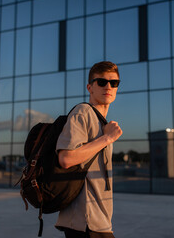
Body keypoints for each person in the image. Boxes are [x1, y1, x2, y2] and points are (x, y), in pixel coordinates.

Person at [56, 61, 123, 238]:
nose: (108, 86)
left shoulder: (103, 123)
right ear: (90, 87)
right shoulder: (83, 112)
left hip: (99, 222)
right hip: (85, 221)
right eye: (101, 82)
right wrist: (107, 138)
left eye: (114, 83)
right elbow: (66, 158)